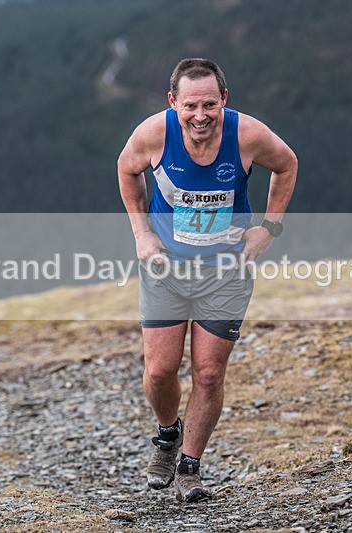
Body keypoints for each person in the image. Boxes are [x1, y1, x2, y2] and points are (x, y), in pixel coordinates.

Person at [117, 58, 297, 502]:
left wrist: (269, 229)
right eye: (191, 105)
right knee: (159, 371)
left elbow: (287, 164)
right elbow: (126, 170)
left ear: (224, 101)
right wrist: (142, 235)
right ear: (173, 102)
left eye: (210, 105)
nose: (200, 116)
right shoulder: (153, 134)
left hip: (226, 272)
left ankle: (190, 467)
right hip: (166, 270)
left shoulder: (248, 135)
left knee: (210, 373)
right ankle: (166, 435)